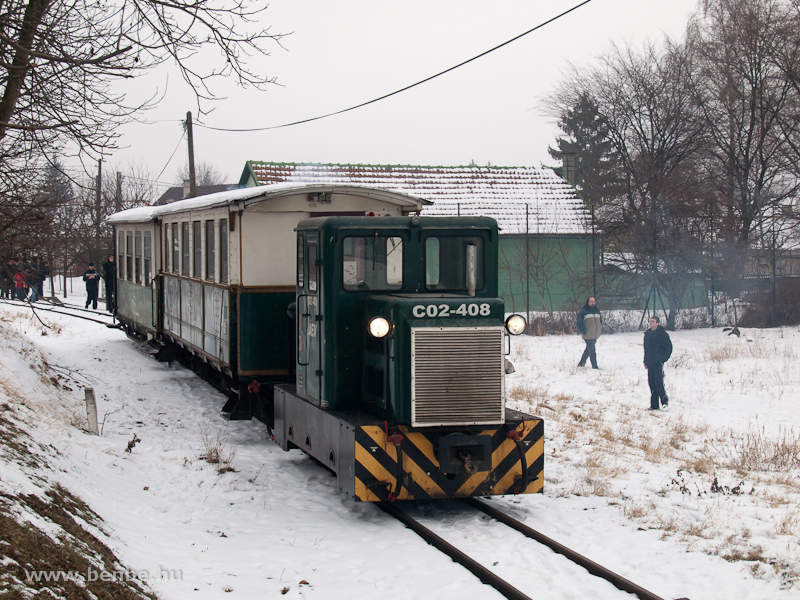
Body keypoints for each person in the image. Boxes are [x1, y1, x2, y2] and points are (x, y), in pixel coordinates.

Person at [643, 315, 672, 410]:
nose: (650, 323)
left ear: (657, 323)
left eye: (653, 321)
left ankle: (664, 401)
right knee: (651, 383)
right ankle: (654, 405)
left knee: (659, 382)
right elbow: (646, 350)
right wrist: (645, 361)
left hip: (658, 362)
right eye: (650, 321)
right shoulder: (647, 334)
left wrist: (662, 359)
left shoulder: (662, 334)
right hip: (650, 362)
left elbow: (668, 348)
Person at [576, 296, 602, 369]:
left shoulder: (597, 311)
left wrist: (599, 330)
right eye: (591, 302)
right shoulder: (583, 311)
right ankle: (595, 366)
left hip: (595, 334)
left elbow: (600, 321)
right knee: (592, 350)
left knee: (588, 349)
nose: (593, 303)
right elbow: (579, 323)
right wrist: (584, 331)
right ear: (588, 302)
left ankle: (581, 363)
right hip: (588, 335)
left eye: (594, 301)